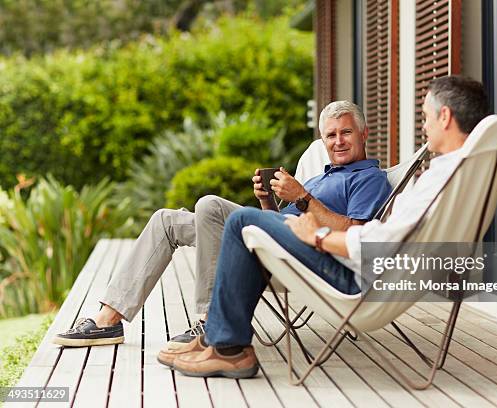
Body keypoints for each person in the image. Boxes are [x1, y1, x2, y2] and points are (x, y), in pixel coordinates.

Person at [158, 75, 489, 379]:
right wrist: (280, 209)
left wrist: (318, 234)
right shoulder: (450, 177)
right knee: (235, 219)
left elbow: (380, 242)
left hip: (353, 277)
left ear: (444, 117)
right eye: (331, 135)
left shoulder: (429, 182)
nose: (424, 125)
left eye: (427, 116)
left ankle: (225, 345)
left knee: (240, 221)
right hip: (347, 262)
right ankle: (221, 341)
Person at [54, 101, 392, 348]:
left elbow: (354, 232)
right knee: (166, 221)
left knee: (209, 206)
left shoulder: (369, 178)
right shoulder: (323, 175)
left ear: (363, 133)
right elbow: (284, 216)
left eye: (346, 132)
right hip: (273, 237)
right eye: (331, 135)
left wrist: (302, 197)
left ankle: (209, 320)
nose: (338, 141)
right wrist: (266, 201)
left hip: (305, 253)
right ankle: (108, 320)